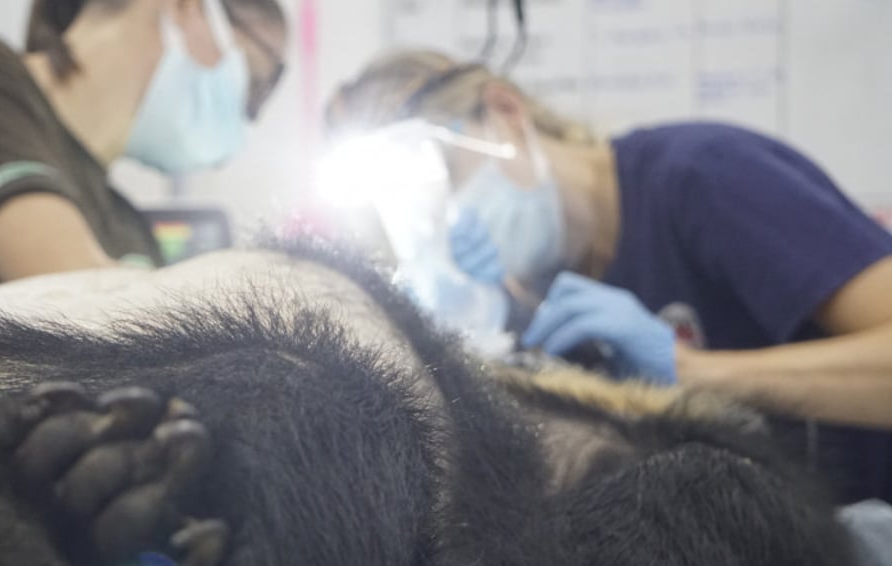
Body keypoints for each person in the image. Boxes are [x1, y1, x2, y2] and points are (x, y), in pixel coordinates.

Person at [326, 51, 892, 502]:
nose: (448, 219)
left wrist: (694, 373)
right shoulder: (533, 298)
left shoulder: (701, 179)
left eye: (446, 176)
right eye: (418, 213)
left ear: (504, 110)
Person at [0, 0, 288, 307]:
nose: (246, 120)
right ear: (186, 8)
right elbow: (86, 305)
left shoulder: (125, 224)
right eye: (259, 82)